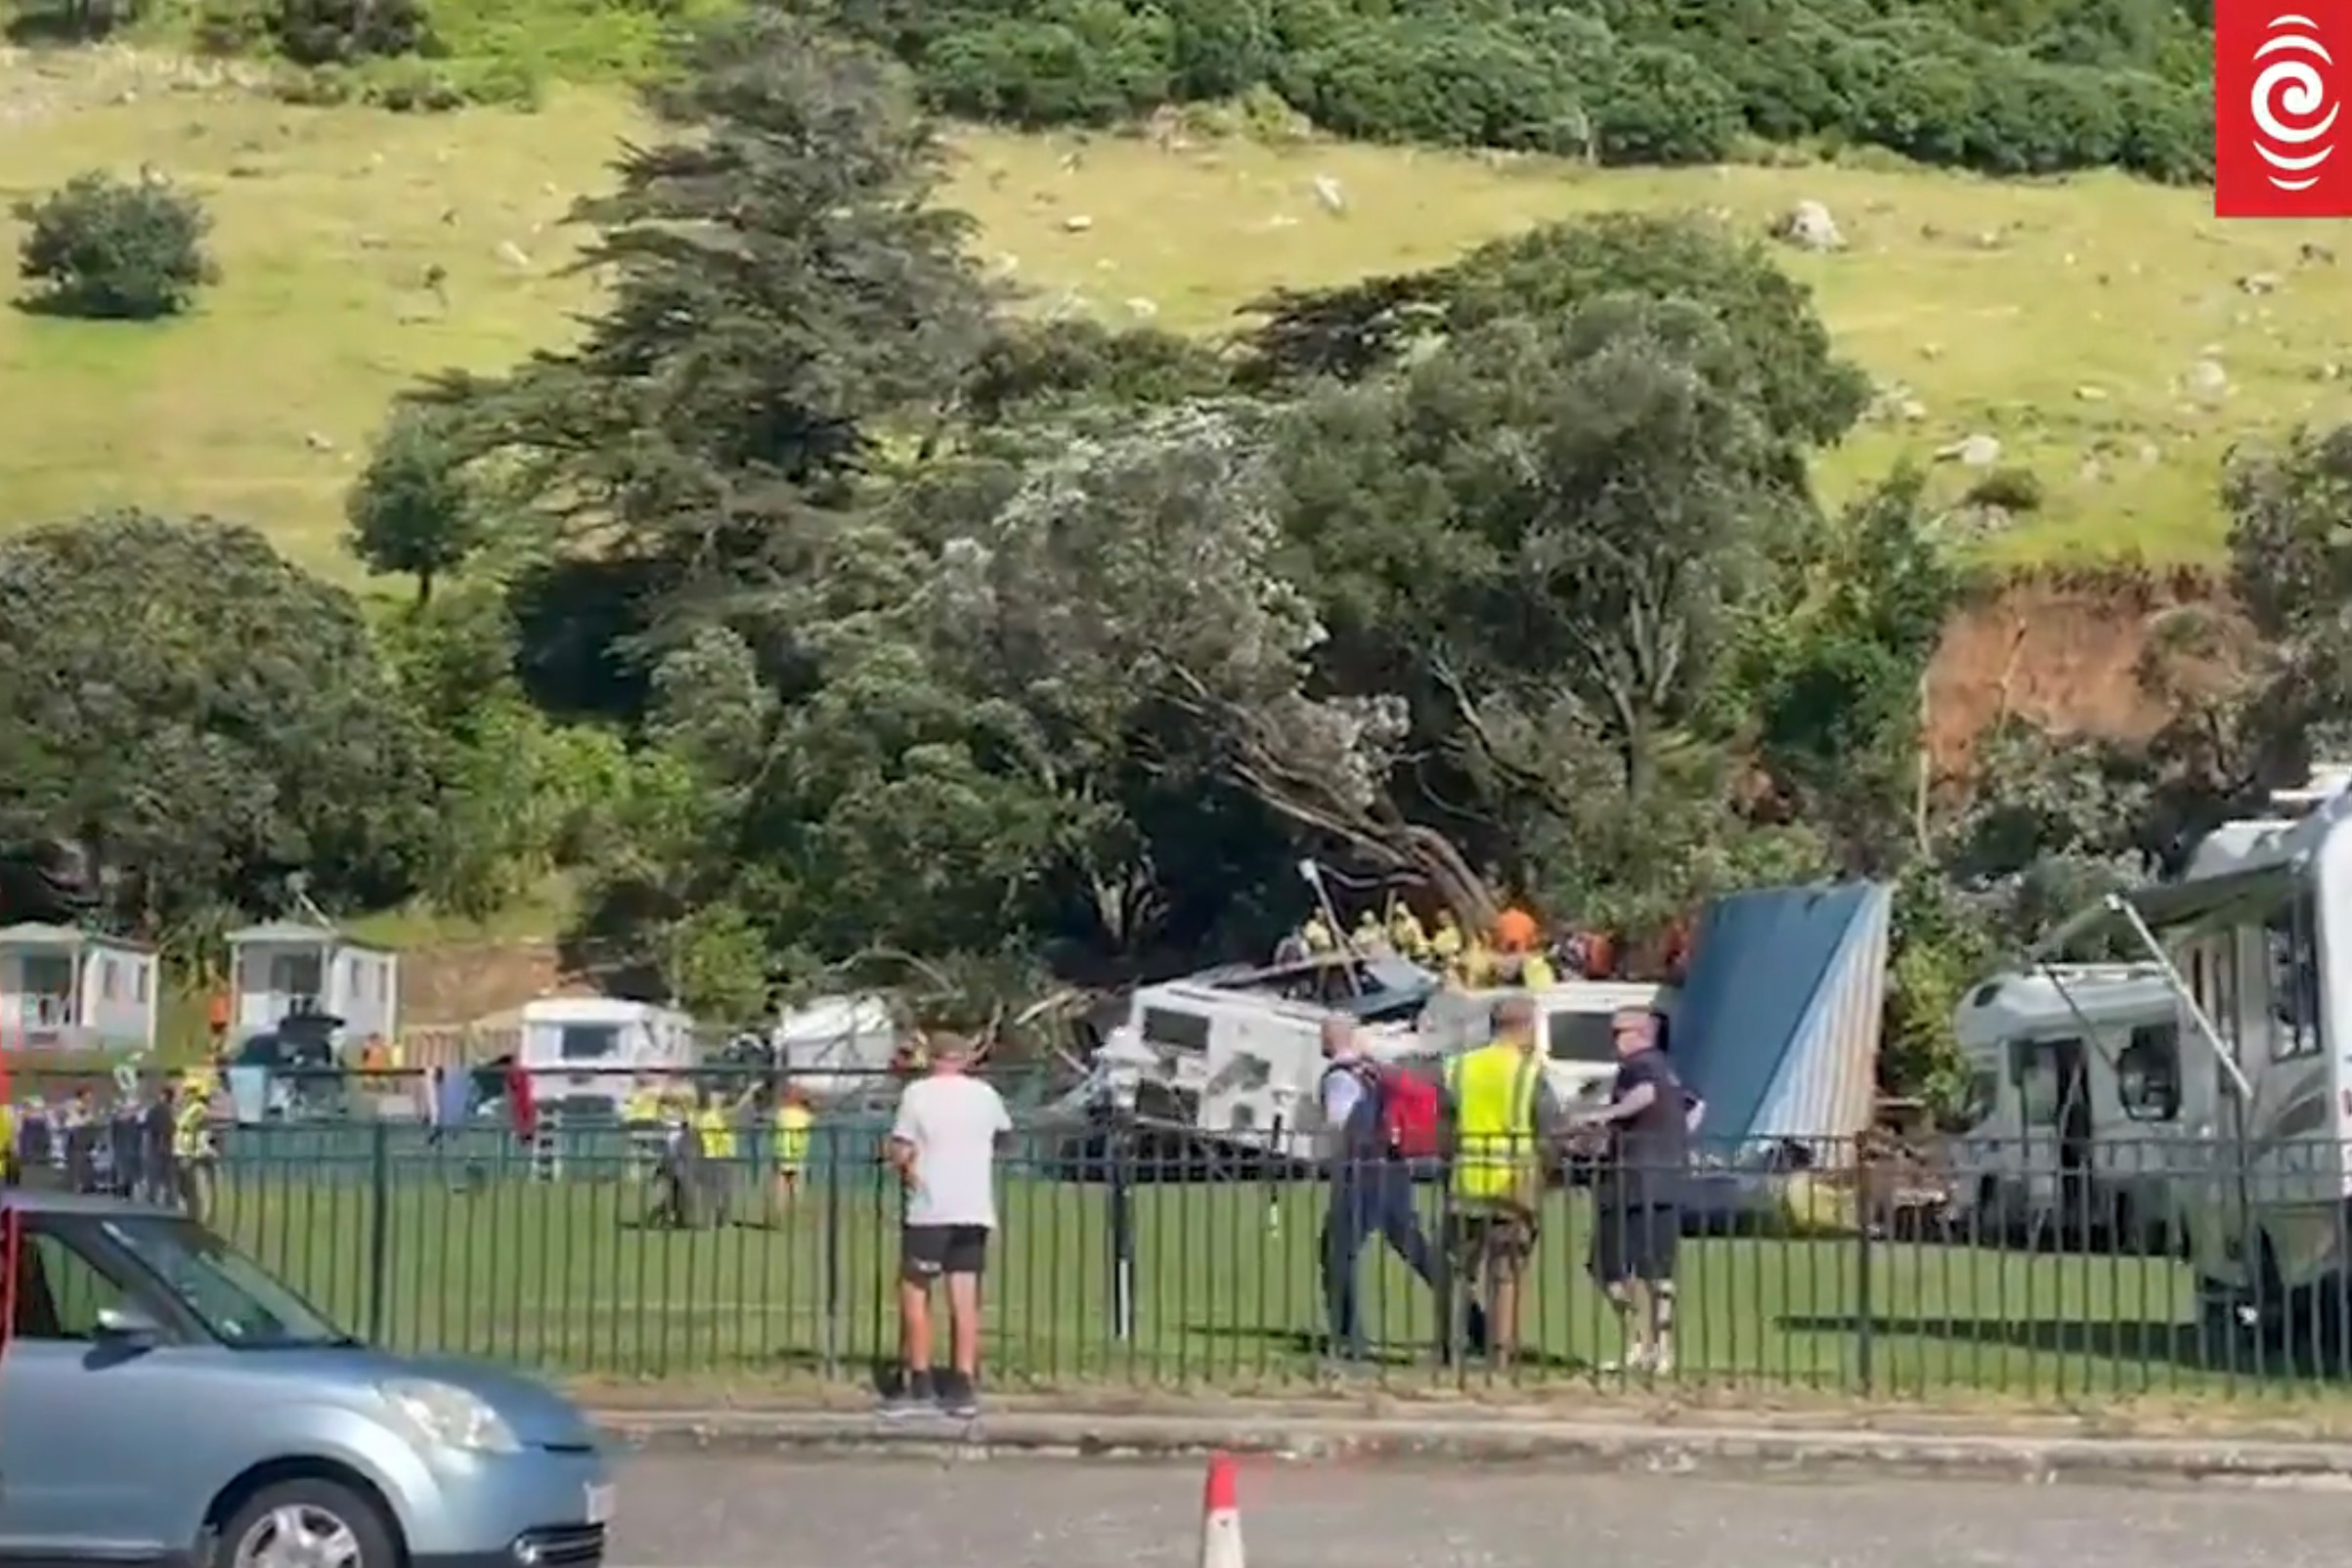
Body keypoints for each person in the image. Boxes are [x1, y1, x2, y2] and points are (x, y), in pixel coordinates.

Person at [881, 1033, 1011, 1420]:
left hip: (931, 1206)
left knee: (915, 1289)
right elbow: (1004, 1138)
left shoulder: (917, 1095)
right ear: (965, 1059)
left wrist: (900, 1162)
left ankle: (920, 1380)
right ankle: (962, 1382)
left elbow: (901, 1148)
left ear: (932, 1058)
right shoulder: (986, 1095)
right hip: (974, 1206)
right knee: (964, 1296)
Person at [1569, 1008, 1704, 1374]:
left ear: (1640, 1033)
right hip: (1663, 1176)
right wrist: (1676, 1139)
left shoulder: (1641, 1065)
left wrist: (1605, 1115)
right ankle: (1656, 1348)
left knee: (1611, 1265)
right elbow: (1696, 1105)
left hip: (1632, 1179)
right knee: (1653, 1268)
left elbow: (1646, 1093)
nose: (1613, 1040)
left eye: (1618, 1032)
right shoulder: (1666, 1068)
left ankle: (1641, 1341)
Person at [1441, 996, 1558, 1366]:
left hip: (1466, 1183)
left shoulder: (1459, 1067)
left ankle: (1451, 1346)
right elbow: (1548, 1131)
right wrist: (1546, 1176)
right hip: (1513, 1188)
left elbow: (1444, 1125)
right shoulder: (1529, 1073)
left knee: (1458, 1273)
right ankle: (1501, 1353)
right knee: (1506, 1274)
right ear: (1525, 1027)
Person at [1316, 1017, 1440, 1363]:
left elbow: (1339, 1122)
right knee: (1419, 1251)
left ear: (1329, 1039)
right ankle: (1474, 1322)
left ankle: (1348, 1336)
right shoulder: (1374, 1071)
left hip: (1361, 1173)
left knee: (1337, 1252)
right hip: (1393, 1168)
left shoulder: (1339, 1077)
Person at [772, 1087, 814, 1215]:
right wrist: (808, 1104)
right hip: (799, 1153)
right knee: (796, 1185)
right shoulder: (805, 1116)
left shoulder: (782, 1114)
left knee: (782, 1186)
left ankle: (780, 1211)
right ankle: (795, 1210)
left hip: (783, 1153)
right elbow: (812, 1115)